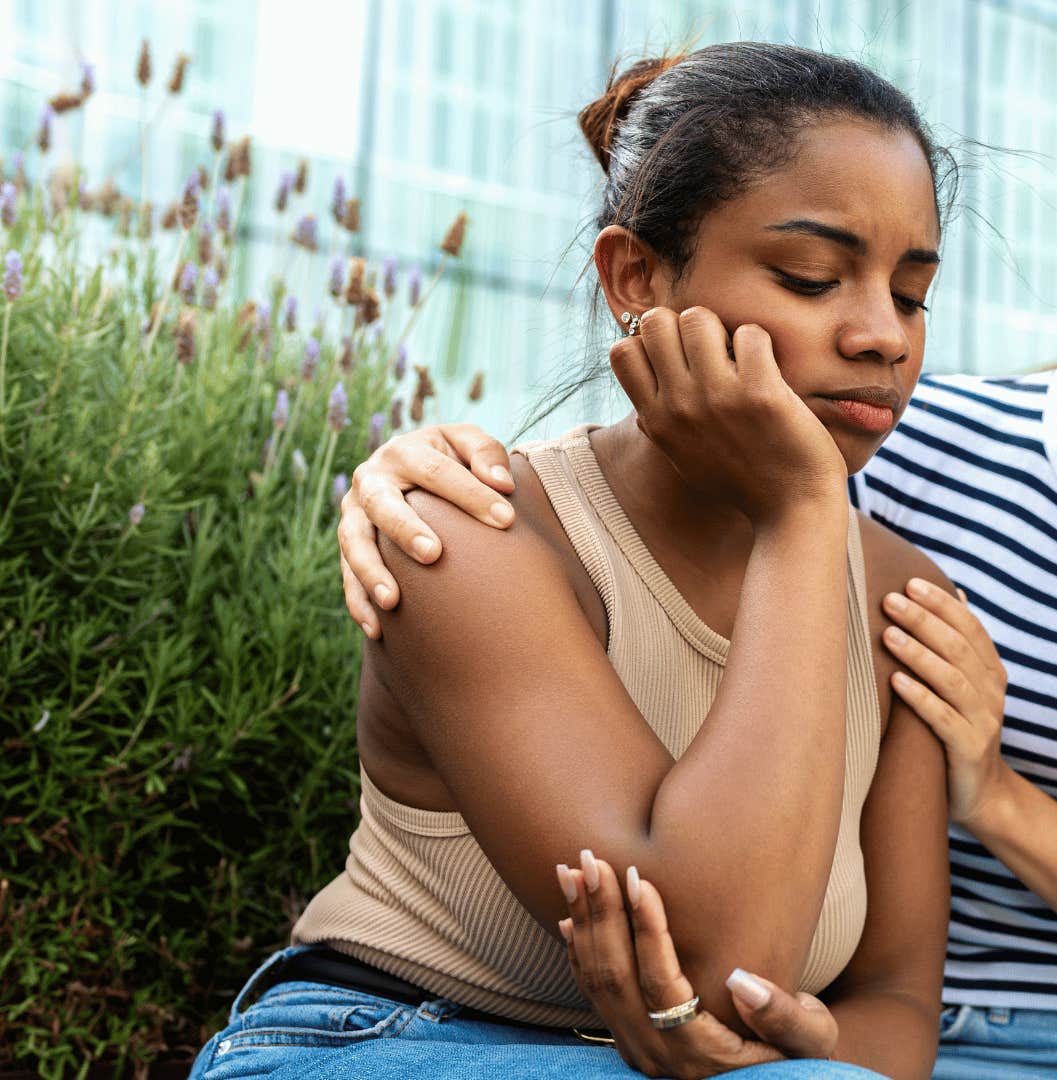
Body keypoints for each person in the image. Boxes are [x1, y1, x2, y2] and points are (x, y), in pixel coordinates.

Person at [337, 10, 1057, 1077]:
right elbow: (673, 486)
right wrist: (406, 469)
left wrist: (997, 794)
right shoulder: (896, 448)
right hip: (959, 1038)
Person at [192, 42, 964, 1080]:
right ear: (635, 277)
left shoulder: (903, 601)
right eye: (812, 277)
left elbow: (900, 1013)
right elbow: (716, 953)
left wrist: (796, 1045)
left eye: (912, 295)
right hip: (387, 1041)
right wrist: (801, 510)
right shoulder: (469, 533)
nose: (883, 336)